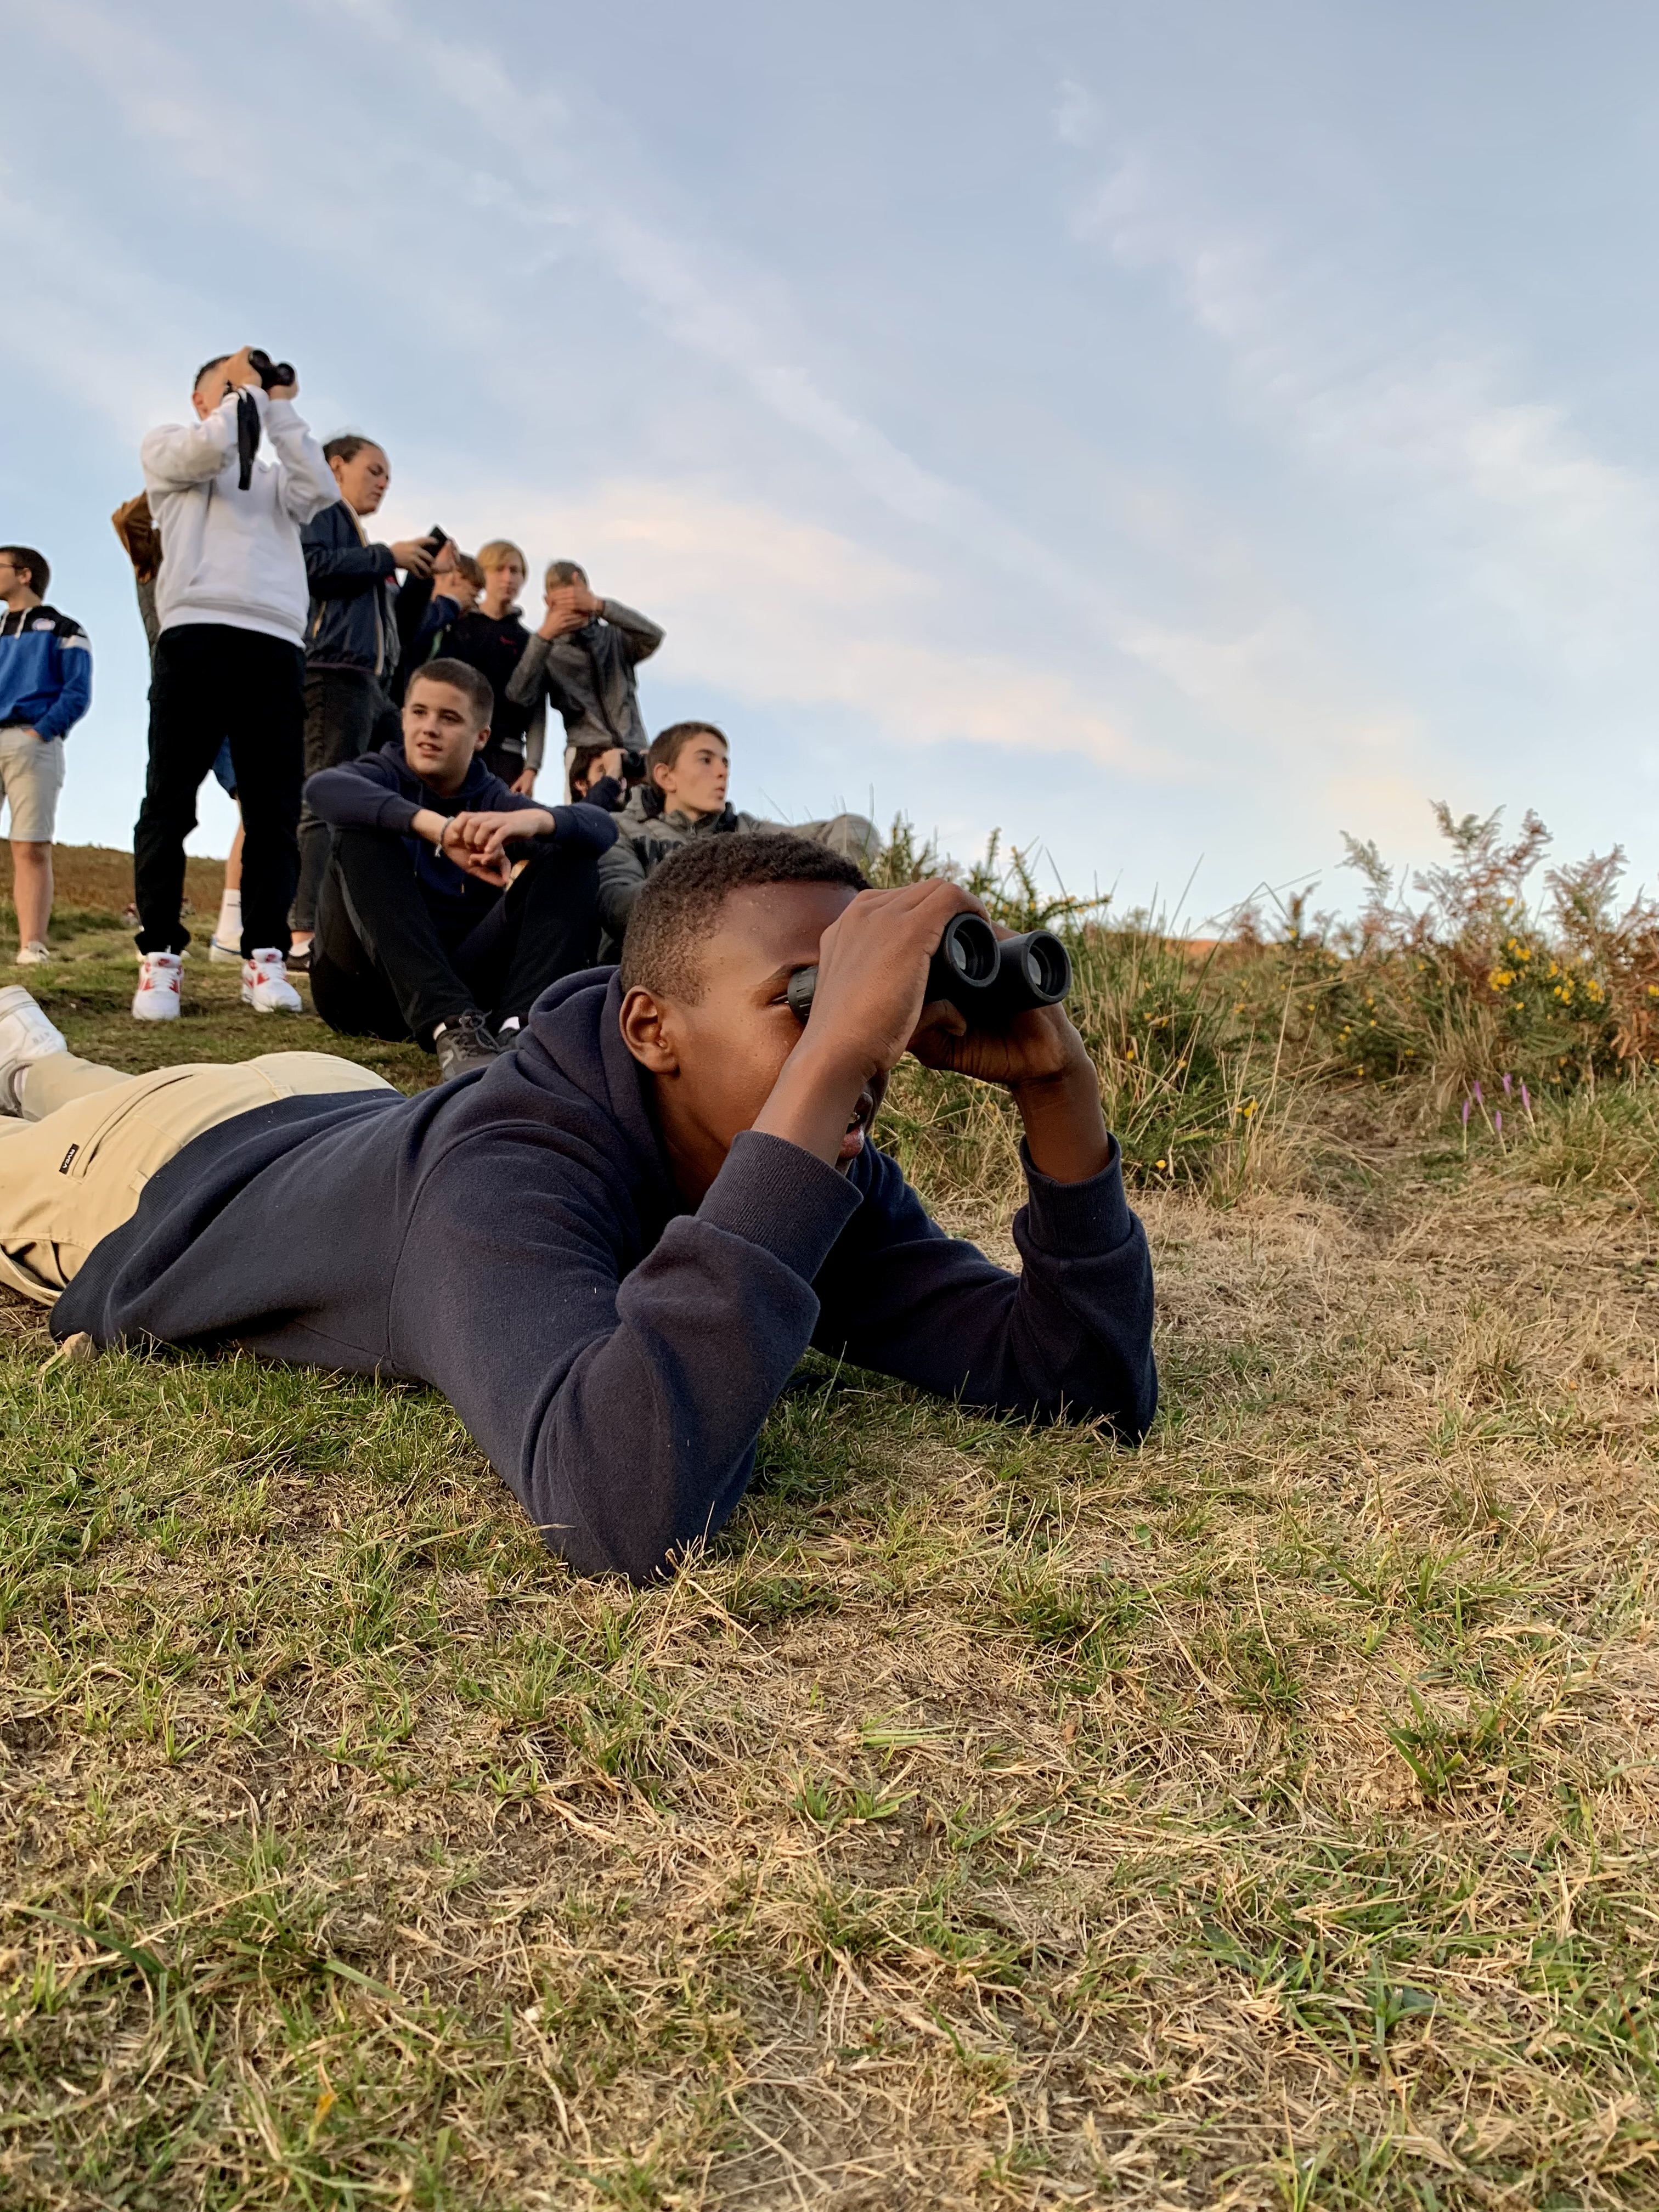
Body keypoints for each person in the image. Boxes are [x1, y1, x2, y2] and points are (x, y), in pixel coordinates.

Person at [0, 835, 1156, 1583]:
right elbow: (616, 1506)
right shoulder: (504, 1174)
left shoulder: (813, 1172)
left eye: (867, 1005)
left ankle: (26, 1043)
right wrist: (832, 1058)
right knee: (69, 1118)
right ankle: (27, 1051)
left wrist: (1062, 1091)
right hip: (153, 1175)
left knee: (80, 1080)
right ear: (652, 1030)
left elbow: (1084, 1384)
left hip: (328, 1097)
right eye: (807, 1004)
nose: (864, 1047)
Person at [132, 346, 337, 1021]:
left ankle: (266, 957)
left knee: (274, 811)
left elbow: (320, 490)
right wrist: (241, 396)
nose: (245, 392)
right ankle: (160, 955)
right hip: (195, 631)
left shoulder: (276, 480)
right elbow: (207, 453)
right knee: (170, 800)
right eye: (230, 386)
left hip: (275, 641)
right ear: (204, 400)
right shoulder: (170, 449)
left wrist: (280, 406)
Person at [306, 659, 618, 1079]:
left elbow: (601, 829)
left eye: (449, 718)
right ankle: (447, 1021)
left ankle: (520, 1028)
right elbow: (321, 789)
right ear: (403, 719)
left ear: (481, 737)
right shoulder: (379, 774)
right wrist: (440, 830)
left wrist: (539, 822)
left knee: (570, 854)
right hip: (362, 993)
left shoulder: (492, 802)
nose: (429, 728)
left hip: (469, 996)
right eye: (419, 713)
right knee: (359, 832)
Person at [290, 435, 445, 962]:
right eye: (375, 470)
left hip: (374, 688)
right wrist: (385, 556)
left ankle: (354, 924)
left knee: (381, 799)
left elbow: (401, 627)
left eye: (388, 477)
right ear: (336, 467)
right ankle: (301, 930)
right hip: (331, 673)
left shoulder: (363, 545)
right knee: (324, 795)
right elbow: (310, 568)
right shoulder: (321, 511)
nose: (382, 483)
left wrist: (419, 578)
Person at [596, 720, 879, 955]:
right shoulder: (620, 828)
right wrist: (733, 893)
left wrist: (834, 893)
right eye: (706, 760)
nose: (722, 772)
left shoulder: (749, 832)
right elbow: (618, 906)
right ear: (666, 777)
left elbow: (852, 829)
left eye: (725, 762)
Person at [112, 498, 244, 961]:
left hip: (236, 695)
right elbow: (129, 519)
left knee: (261, 809)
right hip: (179, 694)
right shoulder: (153, 558)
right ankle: (160, 936)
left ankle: (232, 931)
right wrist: (180, 477)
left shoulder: (223, 562)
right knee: (168, 814)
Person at [0, 547, 91, 967]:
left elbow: (77, 692)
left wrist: (42, 731)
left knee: (31, 846)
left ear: (24, 574)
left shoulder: (64, 628)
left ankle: (31, 947)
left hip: (32, 742)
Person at [506, 560, 663, 771]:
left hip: (635, 750)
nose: (573, 608)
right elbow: (519, 696)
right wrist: (543, 638)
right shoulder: (546, 652)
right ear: (548, 602)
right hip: (586, 756)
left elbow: (653, 637)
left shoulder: (614, 637)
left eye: (576, 599)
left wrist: (601, 606)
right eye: (562, 601)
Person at [433, 540, 540, 792]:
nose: (508, 578)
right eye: (498, 569)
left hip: (508, 754)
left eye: (515, 571)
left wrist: (531, 768)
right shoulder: (458, 625)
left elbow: (536, 710)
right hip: (458, 746)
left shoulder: (529, 641)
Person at [393, 549, 482, 703]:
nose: (473, 595)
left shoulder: (460, 629)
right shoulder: (414, 607)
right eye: (470, 585)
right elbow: (413, 635)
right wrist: (449, 603)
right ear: (449, 577)